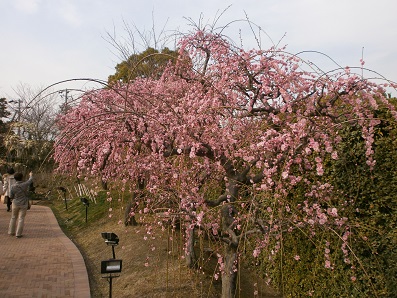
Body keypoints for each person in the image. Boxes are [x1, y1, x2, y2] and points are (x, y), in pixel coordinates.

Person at [8, 172, 33, 238]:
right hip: (23, 203)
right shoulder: (25, 184)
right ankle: (18, 234)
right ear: (22, 178)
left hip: (15, 203)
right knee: (21, 218)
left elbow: (11, 196)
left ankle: (11, 232)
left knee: (13, 217)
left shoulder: (12, 186)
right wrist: (30, 175)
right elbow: (30, 180)